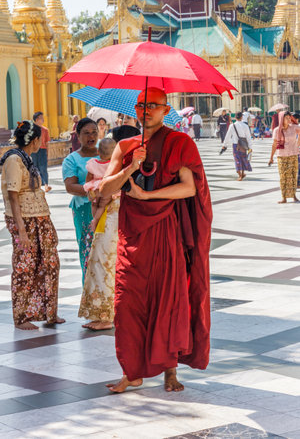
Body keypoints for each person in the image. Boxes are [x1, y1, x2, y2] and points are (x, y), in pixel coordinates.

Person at [99, 87, 212, 393]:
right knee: (128, 304)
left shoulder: (180, 142)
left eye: (154, 105)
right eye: (142, 105)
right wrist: (132, 167)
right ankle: (132, 372)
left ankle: (170, 371)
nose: (147, 110)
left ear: (166, 110)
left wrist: (148, 195)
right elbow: (104, 190)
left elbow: (189, 187)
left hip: (165, 232)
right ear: (135, 110)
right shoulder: (124, 146)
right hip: (131, 235)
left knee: (168, 300)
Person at [0, 121, 65, 330]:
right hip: (25, 220)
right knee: (24, 267)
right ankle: (21, 317)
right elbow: (12, 195)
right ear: (35, 140)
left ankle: (49, 313)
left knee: (49, 264)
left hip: (40, 218)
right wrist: (21, 229)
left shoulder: (26, 158)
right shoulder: (13, 159)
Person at [78, 137, 119, 331]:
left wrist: (97, 199)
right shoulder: (117, 168)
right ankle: (101, 313)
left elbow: (93, 191)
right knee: (99, 262)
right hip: (108, 217)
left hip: (111, 218)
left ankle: (106, 314)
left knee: (103, 263)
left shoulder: (110, 168)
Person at [62, 118, 99, 283]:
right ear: (77, 135)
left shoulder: (107, 155)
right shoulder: (72, 160)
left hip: (107, 209)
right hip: (84, 210)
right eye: (86, 133)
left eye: (94, 132)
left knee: (108, 252)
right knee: (88, 252)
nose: (91, 136)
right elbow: (70, 187)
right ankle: (89, 298)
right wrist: (92, 190)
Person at [269, 111, 300, 203]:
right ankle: (284, 197)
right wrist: (271, 157)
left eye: (289, 118)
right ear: (281, 119)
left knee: (293, 175)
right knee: (283, 177)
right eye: (286, 118)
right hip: (281, 156)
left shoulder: (294, 128)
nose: (289, 120)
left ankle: (294, 196)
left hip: (293, 154)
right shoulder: (277, 130)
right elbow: (274, 144)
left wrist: (298, 143)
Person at [221, 112, 253, 181]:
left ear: (235, 117)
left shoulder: (232, 126)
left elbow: (228, 136)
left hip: (236, 145)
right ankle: (243, 173)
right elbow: (248, 137)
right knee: (243, 158)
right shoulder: (245, 126)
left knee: (237, 160)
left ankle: (240, 175)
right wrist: (250, 147)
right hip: (243, 145)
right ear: (241, 117)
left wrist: (224, 145)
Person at [31, 111, 52, 192]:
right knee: (34, 167)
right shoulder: (31, 129)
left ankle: (46, 185)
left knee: (43, 167)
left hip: (42, 150)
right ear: (36, 119)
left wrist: (47, 153)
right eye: (41, 118)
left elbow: (47, 142)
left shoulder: (45, 130)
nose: (43, 120)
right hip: (33, 150)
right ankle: (37, 185)